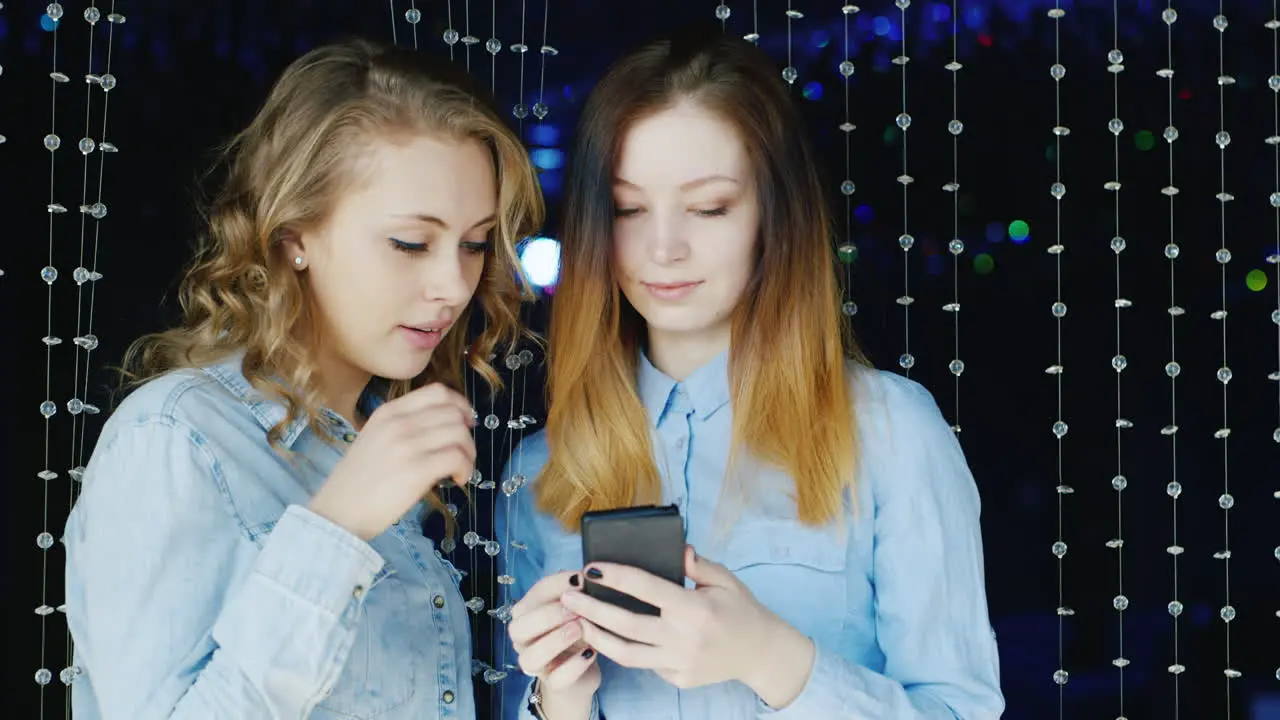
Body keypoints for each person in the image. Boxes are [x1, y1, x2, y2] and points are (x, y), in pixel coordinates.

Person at [496, 29, 1004, 720]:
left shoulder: (889, 433)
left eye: (709, 207)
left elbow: (962, 709)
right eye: (627, 208)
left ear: (775, 215)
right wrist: (556, 698)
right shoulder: (543, 470)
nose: (663, 247)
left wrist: (771, 658)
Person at [62, 38, 543, 719]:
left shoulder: (374, 441)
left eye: (474, 244)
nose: (453, 285)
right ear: (296, 235)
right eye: (410, 242)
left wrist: (554, 698)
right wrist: (336, 530)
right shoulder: (176, 439)